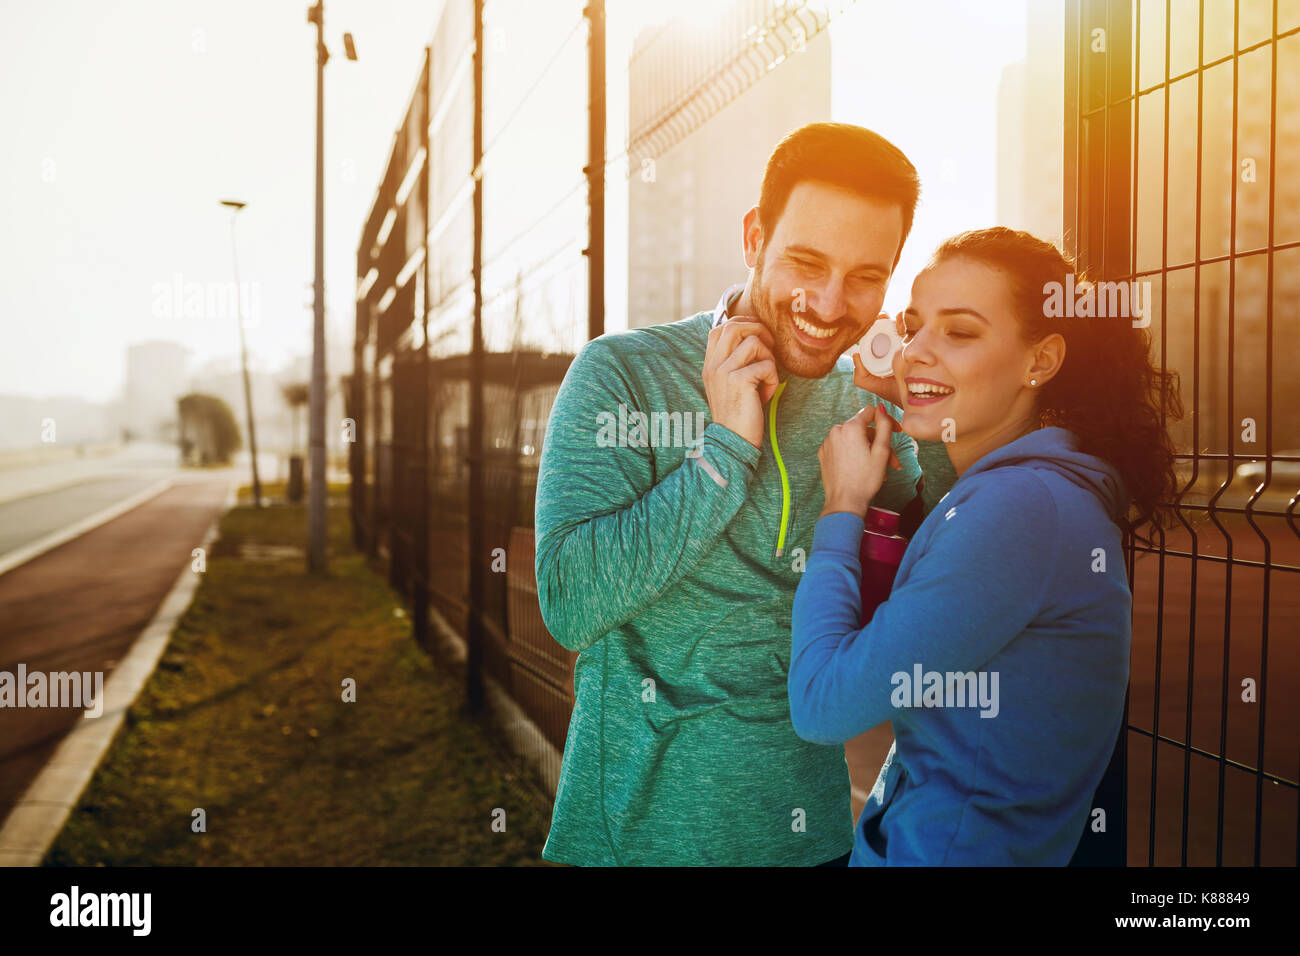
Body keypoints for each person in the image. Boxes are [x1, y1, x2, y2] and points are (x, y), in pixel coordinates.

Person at [533, 122, 957, 866]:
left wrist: (932, 422)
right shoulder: (621, 375)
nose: (830, 304)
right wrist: (724, 447)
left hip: (809, 841)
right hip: (634, 842)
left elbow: (944, 580)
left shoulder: (868, 404)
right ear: (755, 238)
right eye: (806, 262)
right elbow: (571, 602)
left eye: (867, 275)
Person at [789, 227, 1183, 865]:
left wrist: (842, 507)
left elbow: (823, 704)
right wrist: (921, 393)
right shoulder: (1042, 491)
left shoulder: (1018, 509)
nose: (915, 351)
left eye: (961, 332)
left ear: (1041, 361)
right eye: (913, 327)